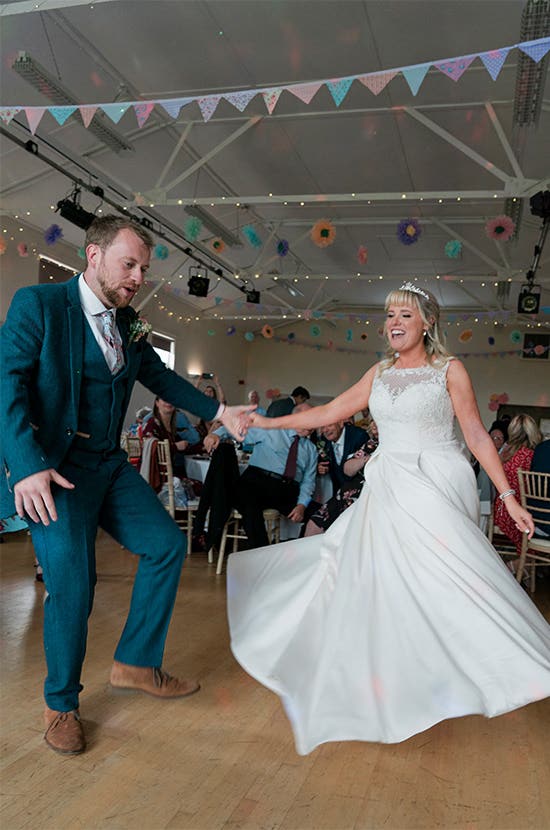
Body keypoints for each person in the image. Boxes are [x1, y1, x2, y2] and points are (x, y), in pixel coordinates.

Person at [227, 281, 550, 756]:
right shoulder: (378, 372)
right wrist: (266, 422)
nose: (394, 323)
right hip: (389, 485)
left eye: (405, 315)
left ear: (427, 322)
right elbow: (330, 412)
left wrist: (509, 496)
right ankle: (399, 682)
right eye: (390, 316)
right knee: (380, 581)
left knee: (450, 580)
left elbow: (478, 436)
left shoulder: (449, 369)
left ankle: (509, 665)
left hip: (436, 482)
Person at [0, 214, 251, 756]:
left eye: (143, 267)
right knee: (74, 584)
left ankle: (135, 663)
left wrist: (219, 411)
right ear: (93, 256)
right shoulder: (39, 305)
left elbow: (159, 378)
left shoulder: (130, 322)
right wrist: (25, 465)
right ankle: (61, 703)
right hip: (54, 469)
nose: (138, 276)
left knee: (164, 545)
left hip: (108, 465)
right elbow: (7, 384)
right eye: (128, 264)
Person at [206, 403, 318, 548]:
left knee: (321, 512)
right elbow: (237, 429)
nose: (312, 426)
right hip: (257, 481)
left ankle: (300, 553)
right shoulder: (272, 429)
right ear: (295, 417)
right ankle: (261, 555)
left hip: (287, 489)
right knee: (249, 506)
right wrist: (215, 434)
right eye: (308, 420)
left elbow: (309, 481)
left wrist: (302, 505)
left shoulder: (311, 449)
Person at [493, 414, 542, 552]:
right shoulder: (533, 455)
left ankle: (524, 563)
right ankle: (526, 562)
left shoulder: (504, 452)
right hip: (520, 513)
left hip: (501, 509)